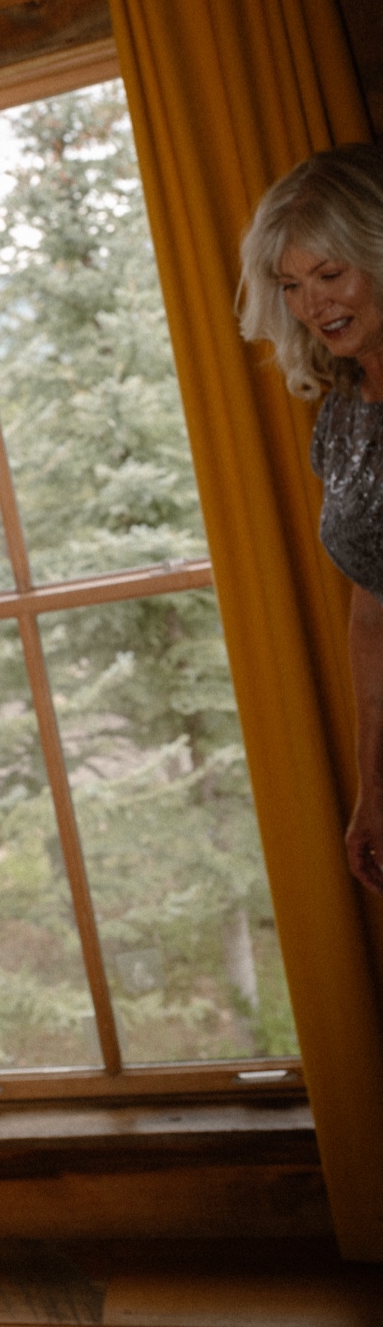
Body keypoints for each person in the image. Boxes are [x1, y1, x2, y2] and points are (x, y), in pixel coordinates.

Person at [240, 145, 383, 896]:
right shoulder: (341, 418)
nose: (312, 303)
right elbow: (372, 615)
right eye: (291, 284)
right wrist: (373, 785)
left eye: (331, 274)